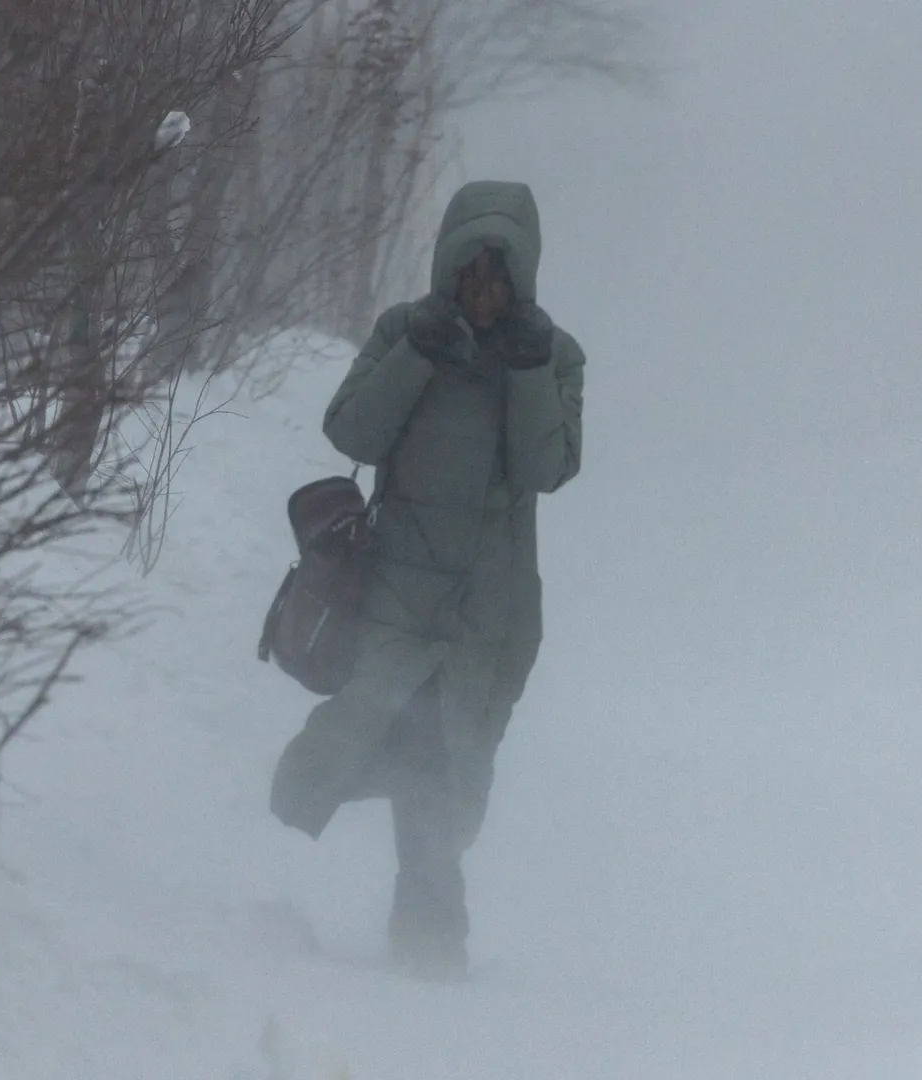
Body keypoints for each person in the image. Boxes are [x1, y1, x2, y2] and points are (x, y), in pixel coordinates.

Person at [269, 181, 585, 981]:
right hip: (397, 596)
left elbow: (548, 468)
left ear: (523, 278)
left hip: (487, 608)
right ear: (447, 267)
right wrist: (419, 349)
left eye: (499, 275)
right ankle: (422, 941)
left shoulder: (553, 355)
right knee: (393, 748)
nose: (483, 290)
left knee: (449, 767)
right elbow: (352, 431)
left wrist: (522, 365)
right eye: (471, 271)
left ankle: (429, 945)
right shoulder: (405, 333)